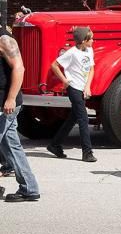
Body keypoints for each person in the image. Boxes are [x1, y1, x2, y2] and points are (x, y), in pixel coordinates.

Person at [0, 28, 40, 202]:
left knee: (11, 147)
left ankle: (29, 188)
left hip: (5, 104)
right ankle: (29, 188)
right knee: (11, 147)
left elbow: (19, 68)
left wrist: (10, 99)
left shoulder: (4, 39)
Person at [47, 26, 97, 162]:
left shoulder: (89, 50)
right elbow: (54, 65)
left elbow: (91, 69)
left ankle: (54, 144)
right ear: (82, 40)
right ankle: (87, 152)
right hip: (74, 88)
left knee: (73, 118)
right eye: (91, 38)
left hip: (82, 89)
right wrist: (64, 80)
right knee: (83, 119)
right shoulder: (72, 53)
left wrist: (87, 87)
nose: (93, 40)